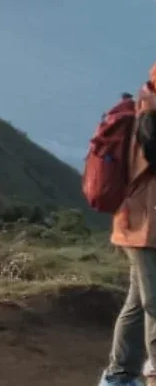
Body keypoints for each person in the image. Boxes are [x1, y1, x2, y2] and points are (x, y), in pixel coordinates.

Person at [101, 75, 156, 386]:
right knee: (154, 304)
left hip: (140, 224)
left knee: (138, 305)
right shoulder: (149, 117)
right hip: (144, 227)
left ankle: (119, 377)